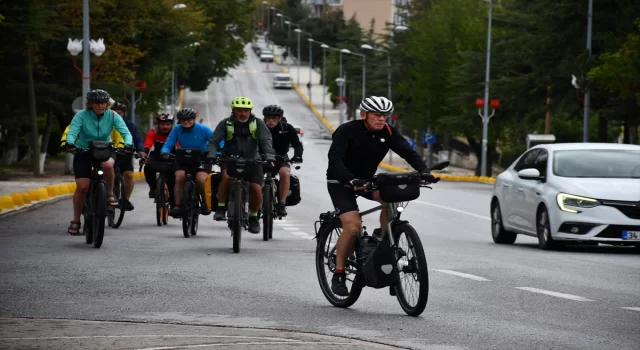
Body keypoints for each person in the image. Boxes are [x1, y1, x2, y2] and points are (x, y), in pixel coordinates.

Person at [326, 96, 437, 297]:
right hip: (341, 182)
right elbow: (335, 160)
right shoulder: (347, 131)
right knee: (352, 226)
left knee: (391, 199)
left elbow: (407, 152)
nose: (382, 119)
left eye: (385, 115)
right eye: (377, 115)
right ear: (363, 115)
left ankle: (384, 239)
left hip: (367, 180)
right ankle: (339, 273)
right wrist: (351, 180)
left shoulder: (388, 132)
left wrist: (424, 170)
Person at [65, 89, 133, 235]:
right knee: (82, 188)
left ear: (107, 104)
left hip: (104, 150)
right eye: (97, 103)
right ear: (90, 104)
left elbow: (125, 132)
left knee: (108, 164)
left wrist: (128, 144)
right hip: (84, 150)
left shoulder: (113, 115)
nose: (100, 106)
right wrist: (70, 143)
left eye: (103, 103)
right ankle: (76, 221)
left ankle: (109, 193)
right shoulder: (81, 115)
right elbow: (73, 131)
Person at [206, 96, 276, 234]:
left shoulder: (258, 124)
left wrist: (269, 157)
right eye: (239, 110)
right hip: (229, 159)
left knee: (256, 188)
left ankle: (254, 216)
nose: (243, 114)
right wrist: (212, 155)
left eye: (246, 110)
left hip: (252, 161)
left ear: (250, 111)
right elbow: (214, 141)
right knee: (226, 178)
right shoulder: (225, 124)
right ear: (233, 111)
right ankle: (220, 207)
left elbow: (266, 142)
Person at [161, 108, 213, 217]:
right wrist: (165, 151)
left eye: (189, 119)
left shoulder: (203, 129)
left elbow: (217, 141)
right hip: (183, 157)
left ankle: (205, 202)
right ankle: (178, 206)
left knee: (201, 179)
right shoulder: (177, 129)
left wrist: (218, 152)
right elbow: (168, 143)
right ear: (180, 120)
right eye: (183, 120)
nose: (186, 122)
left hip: (202, 158)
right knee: (179, 177)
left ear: (194, 119)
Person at [262, 104, 303, 217]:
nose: (271, 121)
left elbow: (297, 144)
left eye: (274, 118)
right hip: (261, 158)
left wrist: (297, 156)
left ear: (280, 118)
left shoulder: (287, 128)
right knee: (252, 175)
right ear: (264, 117)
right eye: (268, 118)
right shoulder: (258, 127)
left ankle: (282, 203)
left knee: (285, 173)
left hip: (280, 158)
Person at [110, 101, 146, 211]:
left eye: (119, 113)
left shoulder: (130, 125)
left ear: (124, 113)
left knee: (129, 176)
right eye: (113, 112)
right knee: (110, 176)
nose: (116, 115)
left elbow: (138, 139)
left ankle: (125, 200)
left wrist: (141, 150)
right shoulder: (105, 123)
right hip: (109, 155)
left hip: (125, 155)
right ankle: (108, 197)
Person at [143, 112, 178, 207]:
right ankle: (153, 188)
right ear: (158, 124)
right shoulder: (153, 131)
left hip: (172, 156)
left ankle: (173, 200)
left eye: (168, 124)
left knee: (173, 178)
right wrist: (144, 153)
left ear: (172, 125)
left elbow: (179, 145)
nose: (165, 127)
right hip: (157, 156)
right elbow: (147, 144)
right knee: (147, 167)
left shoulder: (176, 132)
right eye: (162, 124)